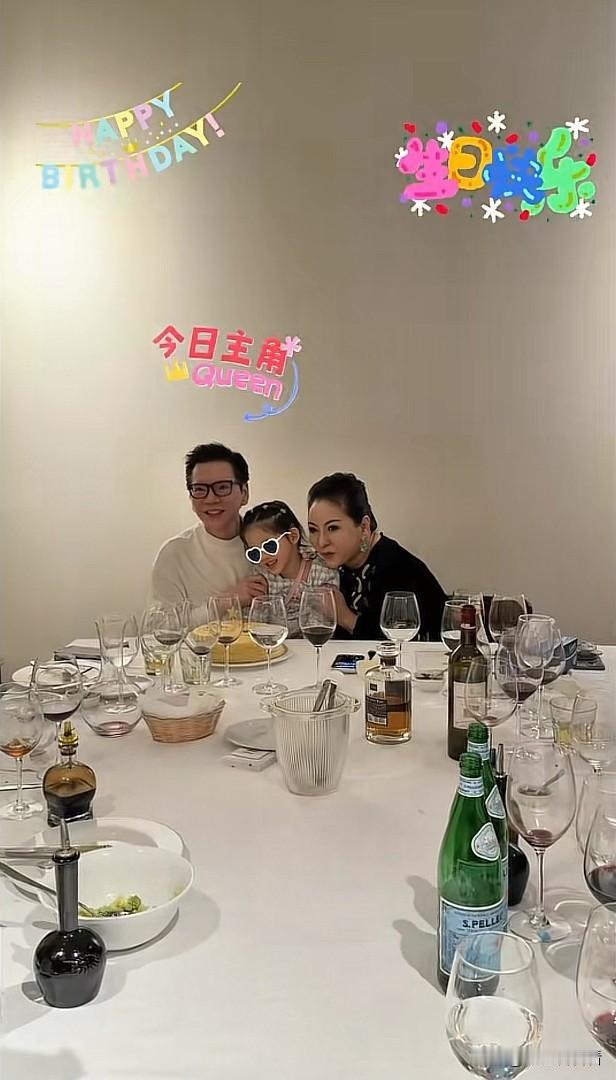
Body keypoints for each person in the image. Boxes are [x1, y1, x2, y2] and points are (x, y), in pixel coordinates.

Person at [307, 472, 446, 640]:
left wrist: (345, 617)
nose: (321, 542)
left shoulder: (397, 568)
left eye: (333, 528)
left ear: (364, 527)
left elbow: (399, 643)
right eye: (313, 529)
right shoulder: (333, 564)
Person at [150, 443, 267, 607]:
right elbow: (162, 621)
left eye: (222, 487)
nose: (211, 499)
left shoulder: (271, 544)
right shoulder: (174, 555)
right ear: (191, 498)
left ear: (245, 493)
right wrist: (226, 602)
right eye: (199, 489)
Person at [240, 501, 338, 637]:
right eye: (255, 553)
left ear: (293, 536)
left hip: (309, 646)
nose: (264, 556)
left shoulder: (321, 573)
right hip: (273, 646)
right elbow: (254, 625)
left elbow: (320, 628)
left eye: (269, 546)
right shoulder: (260, 577)